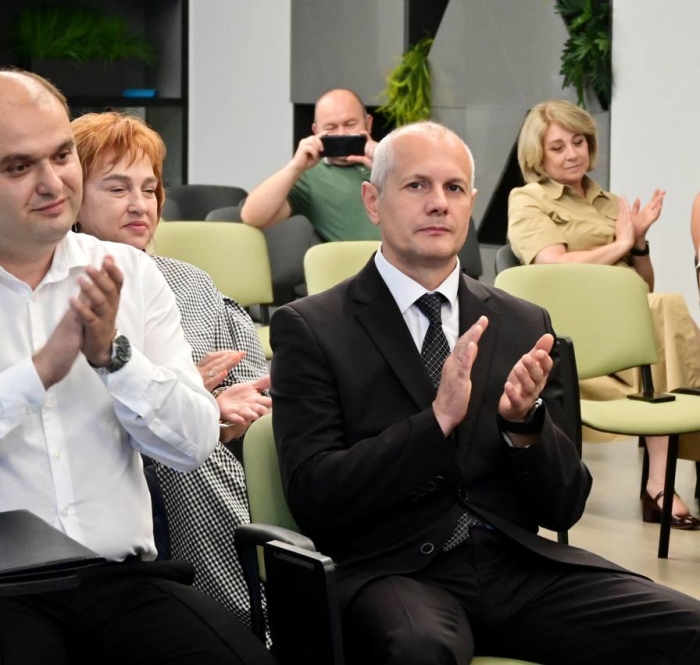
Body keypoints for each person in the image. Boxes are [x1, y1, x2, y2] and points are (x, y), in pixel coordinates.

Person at [0, 71, 275, 664]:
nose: (52, 182)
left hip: (118, 577)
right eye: (19, 167)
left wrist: (114, 360)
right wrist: (37, 373)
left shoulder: (132, 273)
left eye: (62, 155)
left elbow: (192, 442)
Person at [270, 121, 700, 664]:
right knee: (420, 648)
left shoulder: (523, 323)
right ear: (373, 202)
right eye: (417, 185)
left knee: (689, 628)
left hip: (513, 563)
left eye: (454, 188)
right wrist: (435, 423)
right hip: (392, 571)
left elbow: (565, 505)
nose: (438, 203)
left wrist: (525, 427)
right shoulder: (311, 327)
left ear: (471, 205)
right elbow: (314, 497)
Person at [70, 111, 272, 625]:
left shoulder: (192, 283)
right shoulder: (59, 284)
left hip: (227, 449)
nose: (140, 204)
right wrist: (197, 403)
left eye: (150, 189)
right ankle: (250, 619)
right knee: (192, 461)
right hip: (117, 462)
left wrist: (230, 411)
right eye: (118, 188)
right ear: (72, 195)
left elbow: (257, 387)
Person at [508, 99, 700, 528]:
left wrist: (639, 243)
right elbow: (552, 266)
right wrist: (618, 245)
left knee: (664, 311)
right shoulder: (528, 199)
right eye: (557, 147)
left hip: (623, 326)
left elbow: (642, 286)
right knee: (671, 322)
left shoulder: (609, 202)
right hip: (572, 327)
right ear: (538, 154)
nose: (572, 153)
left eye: (578, 142)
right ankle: (660, 483)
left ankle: (660, 481)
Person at [241, 88, 379, 241]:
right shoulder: (311, 177)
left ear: (368, 124)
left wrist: (385, 164)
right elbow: (252, 217)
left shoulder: (390, 160)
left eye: (350, 124)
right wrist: (295, 166)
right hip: (358, 256)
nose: (341, 133)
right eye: (331, 128)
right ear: (316, 131)